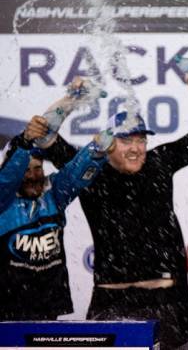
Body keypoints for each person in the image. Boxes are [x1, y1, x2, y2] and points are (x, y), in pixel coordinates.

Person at [44, 62, 188, 348]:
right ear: (109, 143)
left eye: (141, 139)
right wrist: (71, 100)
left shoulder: (158, 162)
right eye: (127, 140)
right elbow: (45, 136)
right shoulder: (89, 167)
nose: (137, 148)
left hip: (166, 304)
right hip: (111, 303)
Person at [0, 115, 113, 320]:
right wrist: (24, 143)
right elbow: (5, 179)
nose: (34, 176)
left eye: (38, 168)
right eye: (25, 170)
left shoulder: (52, 195)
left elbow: (74, 174)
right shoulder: (3, 203)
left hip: (47, 310)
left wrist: (97, 148)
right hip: (6, 311)